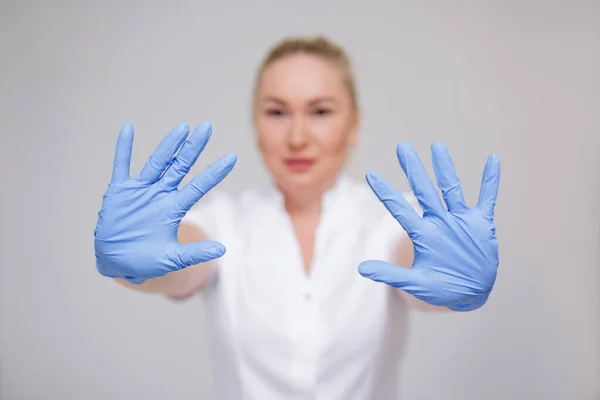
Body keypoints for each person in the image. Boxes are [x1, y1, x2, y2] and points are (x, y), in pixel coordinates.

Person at [94, 36, 500, 399]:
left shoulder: (392, 222)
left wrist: (452, 275)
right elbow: (180, 264)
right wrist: (134, 259)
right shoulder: (224, 222)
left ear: (354, 124)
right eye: (277, 112)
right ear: (255, 124)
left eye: (320, 112)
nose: (297, 137)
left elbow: (414, 266)